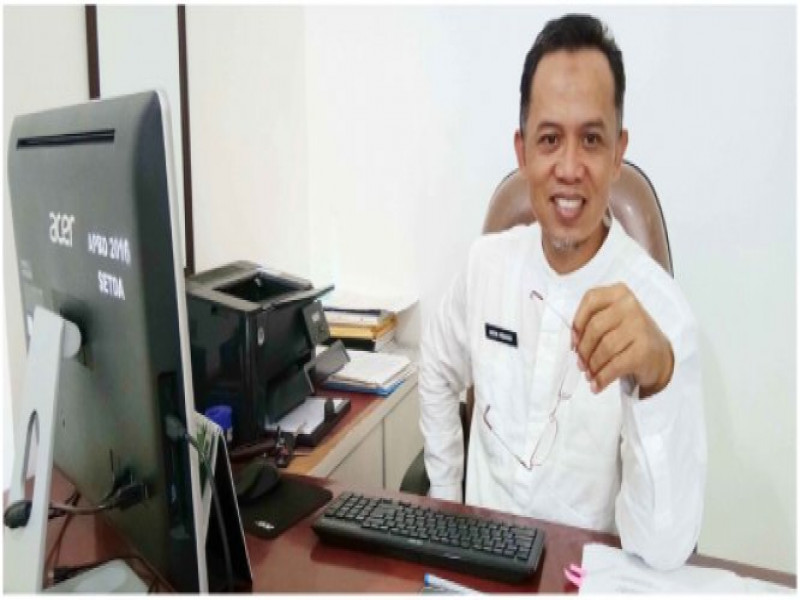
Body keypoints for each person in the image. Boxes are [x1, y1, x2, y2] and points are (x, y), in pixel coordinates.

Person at [419, 13, 706, 570]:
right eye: (550, 139)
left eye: (591, 140)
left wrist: (656, 379)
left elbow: (666, 549)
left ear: (618, 153)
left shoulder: (661, 312)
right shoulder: (486, 265)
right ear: (523, 151)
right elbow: (435, 368)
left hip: (586, 579)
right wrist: (446, 504)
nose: (570, 168)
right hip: (475, 574)